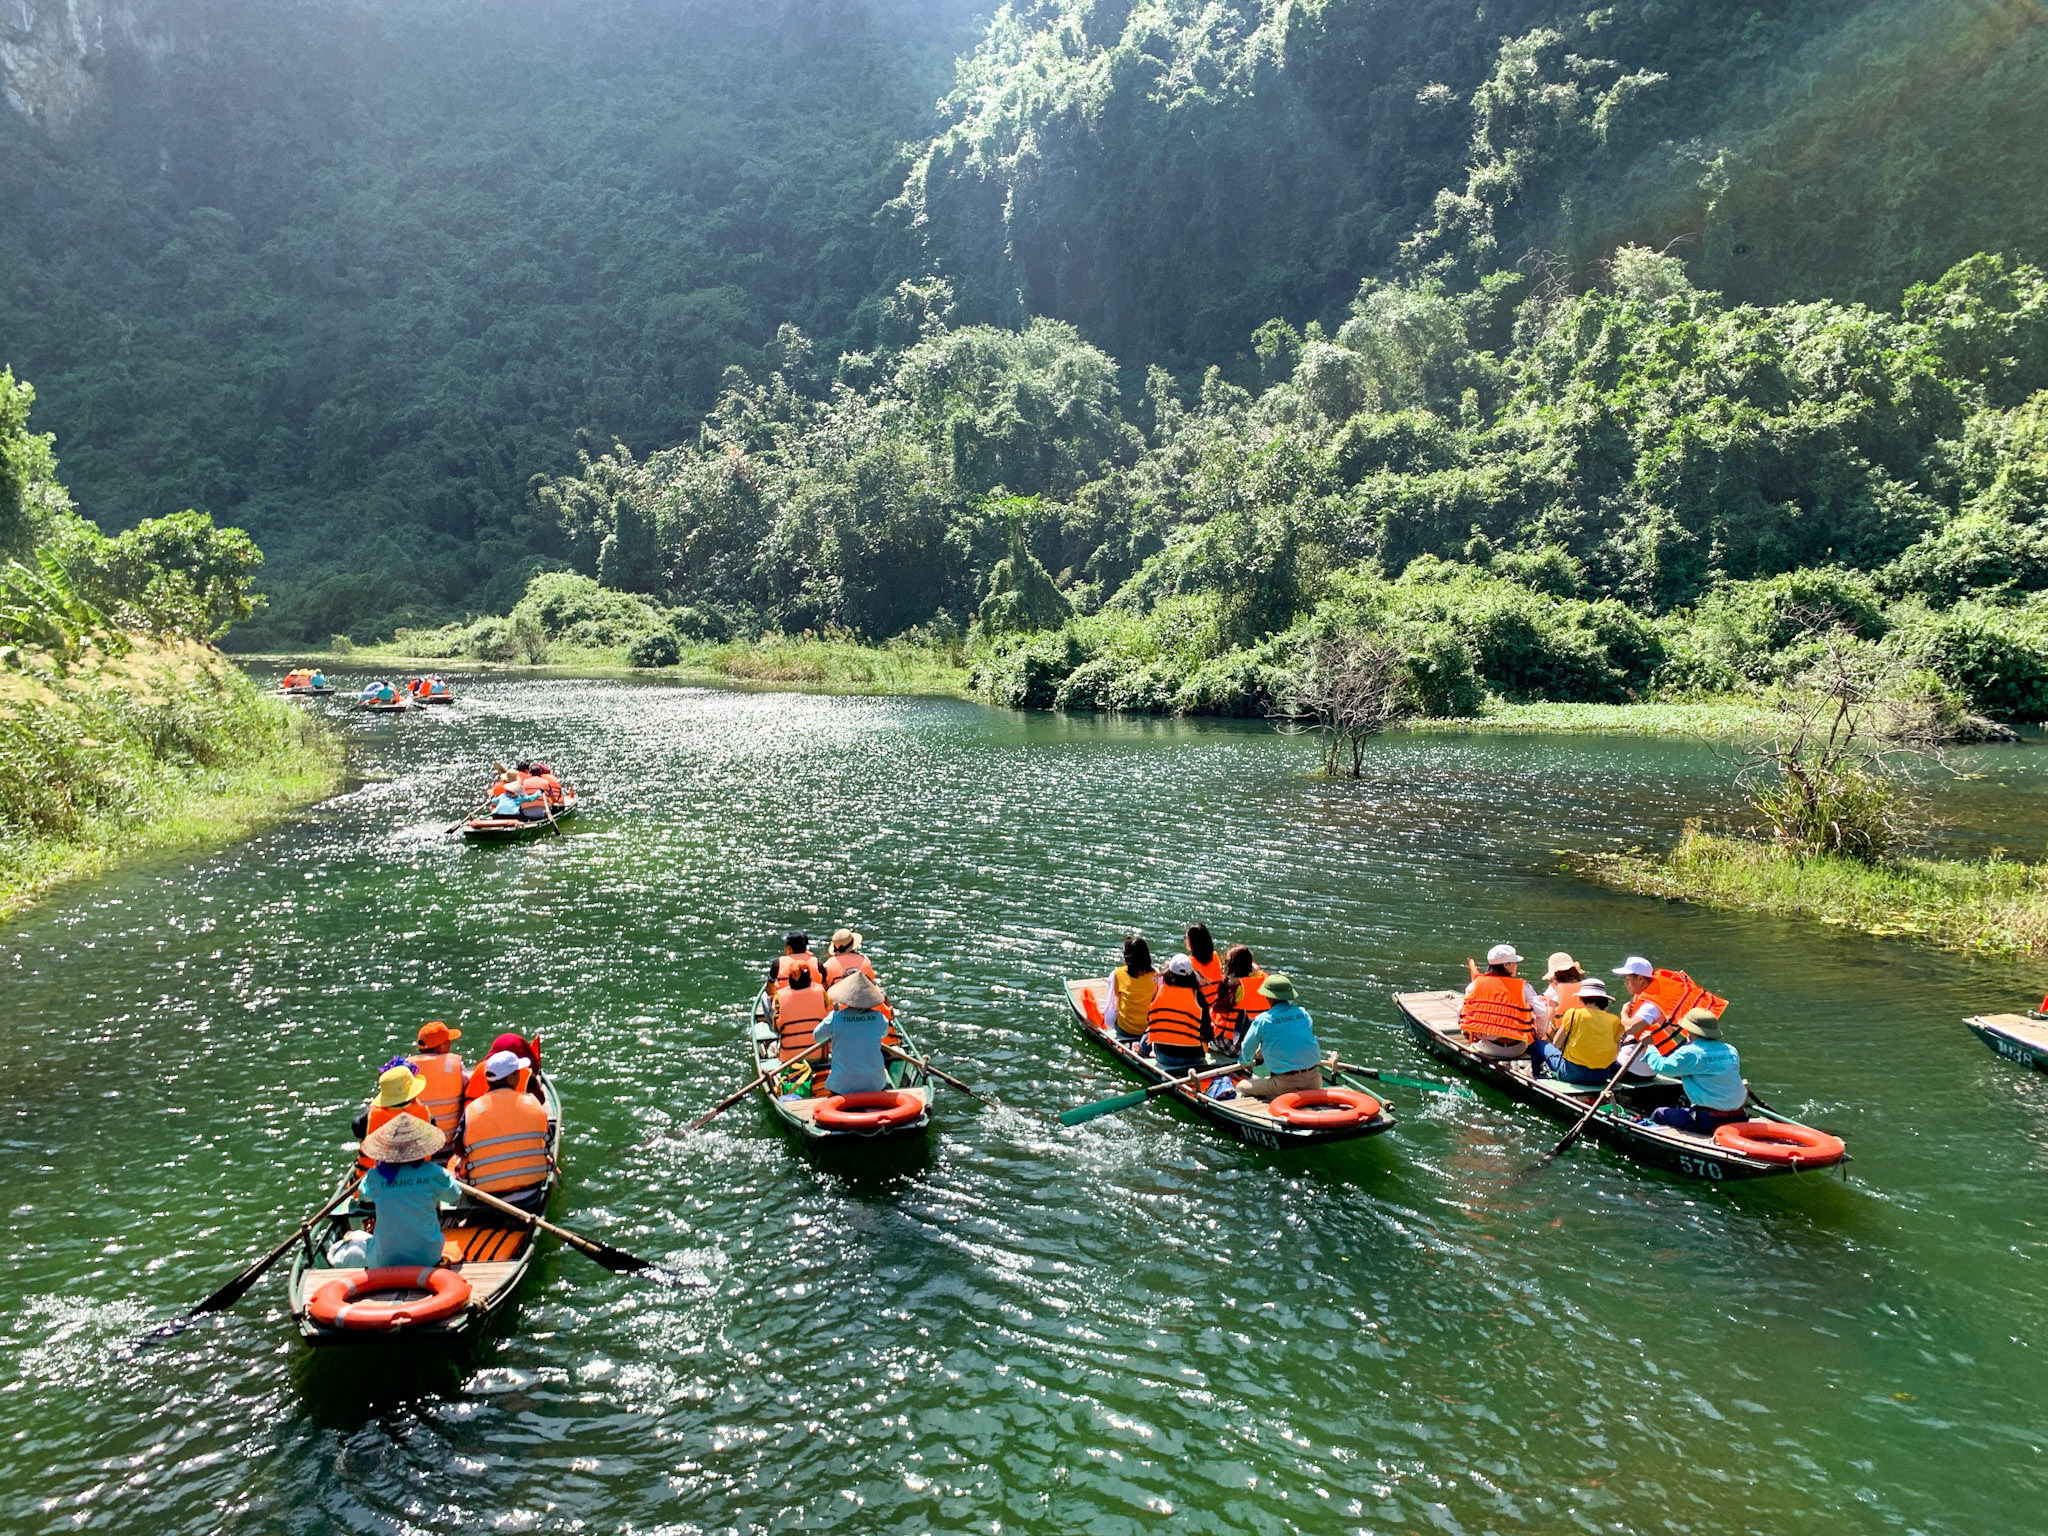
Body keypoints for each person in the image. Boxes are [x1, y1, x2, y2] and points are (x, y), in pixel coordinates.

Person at [331, 1114, 460, 1269]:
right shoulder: (434, 1172)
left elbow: (364, 1196)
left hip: (386, 1259)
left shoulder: (375, 1176)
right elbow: (454, 1195)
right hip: (428, 1256)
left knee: (339, 1250)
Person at [1636, 1009, 1750, 1133]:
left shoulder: (1689, 1052)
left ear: (1689, 1030)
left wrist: (1650, 1046)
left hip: (1709, 1120)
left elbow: (1660, 1067)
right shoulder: (1730, 1049)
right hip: (1740, 1116)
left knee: (1659, 1113)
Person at [458, 1050, 553, 1196]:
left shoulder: (472, 1110)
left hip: (486, 1195)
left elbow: (458, 1148)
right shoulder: (533, 1102)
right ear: (511, 1078)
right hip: (531, 1191)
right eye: (518, 1072)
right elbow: (549, 1140)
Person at [1229, 973, 1325, 1100]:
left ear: (1269, 997)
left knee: (1241, 1086)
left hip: (1285, 1084)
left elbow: (1247, 1046)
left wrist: (1245, 1062)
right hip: (1314, 1080)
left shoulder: (1263, 1020)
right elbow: (1292, 1039)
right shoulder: (1303, 1013)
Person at [1457, 943, 1551, 1060]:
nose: (1517, 965)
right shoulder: (1524, 987)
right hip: (1517, 1049)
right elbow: (1542, 1012)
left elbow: (1461, 1011)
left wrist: (1468, 1030)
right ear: (1506, 965)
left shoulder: (1475, 984)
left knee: (1471, 1043)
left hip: (1489, 1047)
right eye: (1515, 962)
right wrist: (1539, 1035)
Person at [1533, 977, 1625, 1085]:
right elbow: (1615, 1053)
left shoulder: (1573, 1014)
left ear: (1582, 998)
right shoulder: (1615, 1020)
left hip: (1572, 1074)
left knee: (1539, 1044)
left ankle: (1536, 1076)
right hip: (1602, 1076)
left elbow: (1556, 1044)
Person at [814, 972, 893, 1095]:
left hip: (842, 1086)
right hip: (875, 1084)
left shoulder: (835, 1017)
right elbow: (884, 1033)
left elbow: (817, 1037)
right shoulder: (879, 1017)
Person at [355, 1065, 433, 1171]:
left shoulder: (367, 1117)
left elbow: (357, 1130)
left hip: (373, 1175)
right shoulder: (426, 1114)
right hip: (418, 1176)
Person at [1144, 955, 1212, 1073]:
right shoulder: (1198, 997)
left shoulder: (1159, 993)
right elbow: (1208, 1034)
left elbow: (1151, 1021)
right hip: (1194, 1058)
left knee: (1147, 1035)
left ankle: (1142, 1053)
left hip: (1165, 1057)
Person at [1615, 955, 1677, 1079]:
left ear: (1640, 979)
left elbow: (1630, 1028)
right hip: (1645, 1066)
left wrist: (1623, 1013)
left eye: (1627, 979)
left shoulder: (1651, 1006)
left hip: (1634, 1070)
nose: (1625, 983)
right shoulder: (1648, 997)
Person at [406, 1021, 466, 1141]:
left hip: (420, 1144)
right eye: (448, 1042)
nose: (450, 1044)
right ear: (440, 1048)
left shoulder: (407, 1067)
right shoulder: (455, 1065)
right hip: (451, 1142)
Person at [1215, 945, 1268, 1055]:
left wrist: (1225, 984)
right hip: (1259, 1046)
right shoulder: (1264, 980)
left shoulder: (1236, 986)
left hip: (1235, 1046)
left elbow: (1218, 1007)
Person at [1103, 935, 1158, 1042]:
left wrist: (1109, 1026)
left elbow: (1111, 1006)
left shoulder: (1117, 974)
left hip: (1125, 1029)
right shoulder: (1156, 975)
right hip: (1147, 1030)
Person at [774, 966, 830, 1063]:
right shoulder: (821, 992)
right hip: (819, 1056)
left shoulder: (779, 996)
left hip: (789, 1060)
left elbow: (776, 1028)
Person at [1180, 924, 1224, 1014]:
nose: (1185, 940)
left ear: (1192, 942)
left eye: (1186, 938)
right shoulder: (1215, 957)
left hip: (1199, 1010)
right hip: (1214, 1007)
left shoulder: (1189, 963)